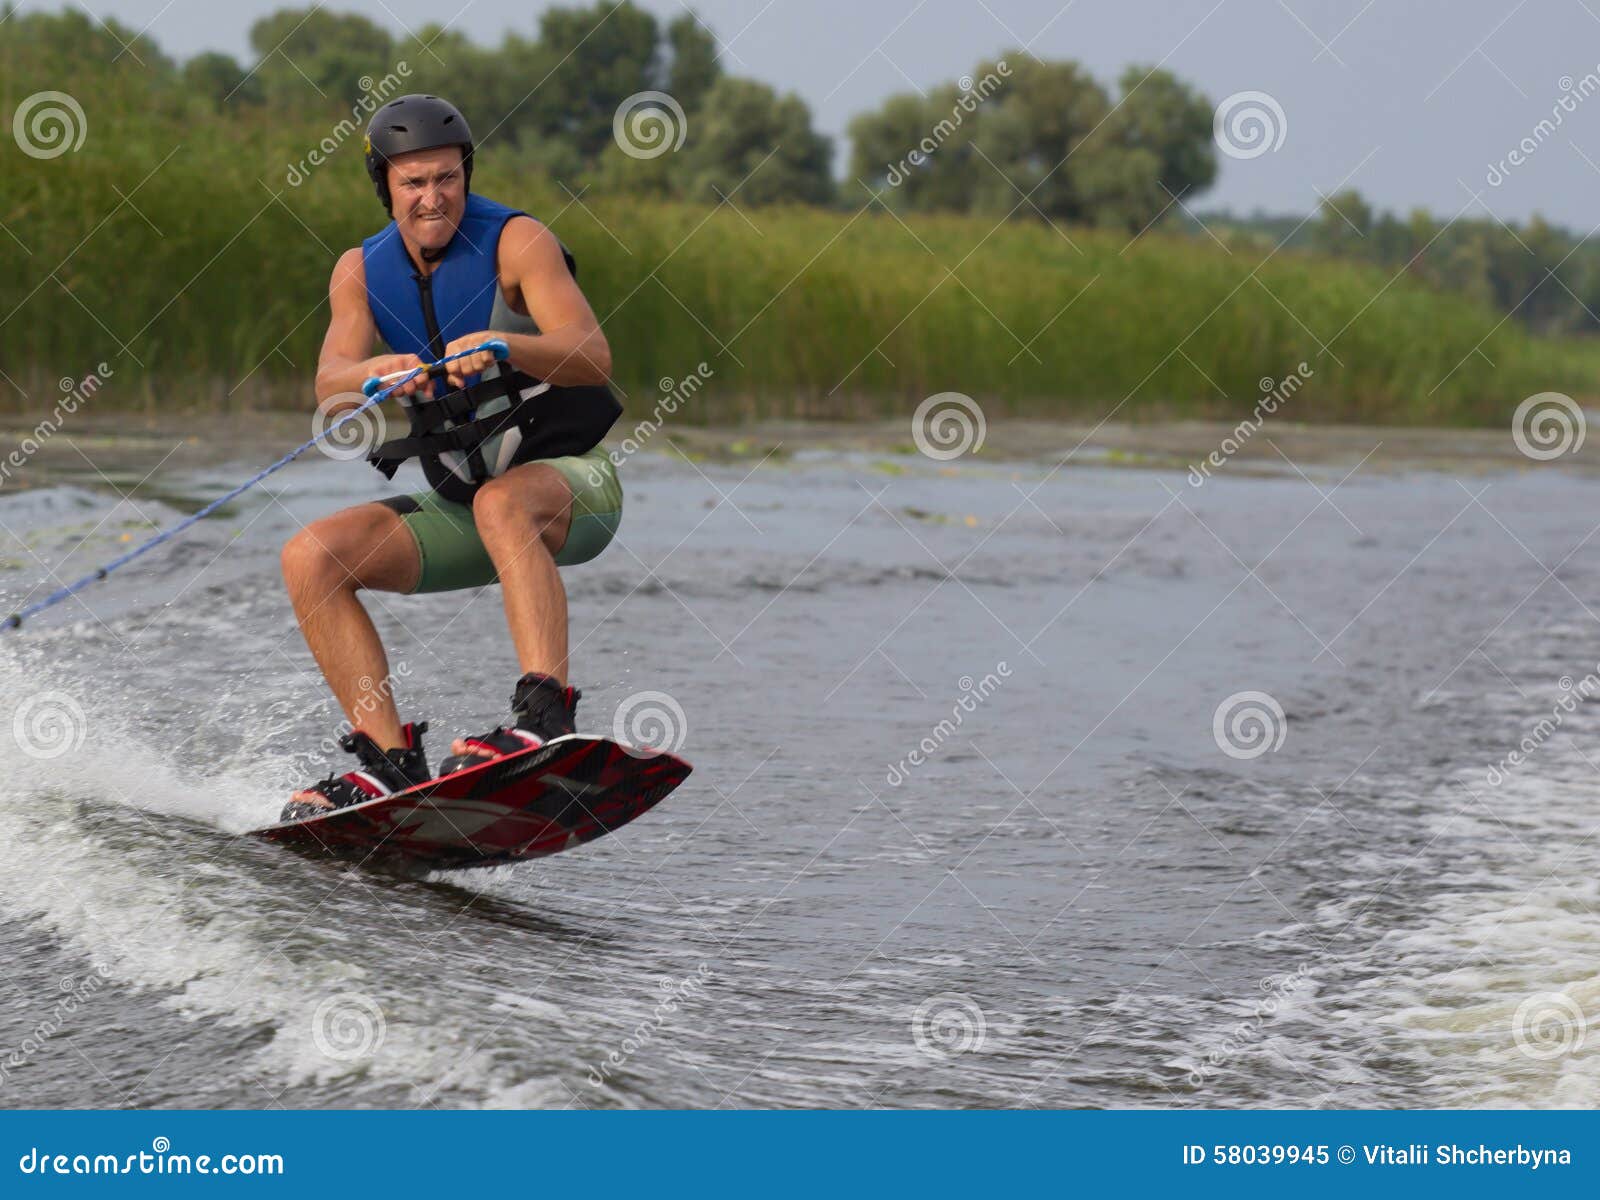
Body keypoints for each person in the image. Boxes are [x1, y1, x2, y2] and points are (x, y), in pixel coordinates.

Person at [279, 94, 623, 821]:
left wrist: (506, 346)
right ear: (386, 185)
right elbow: (329, 384)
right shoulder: (360, 271)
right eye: (414, 183)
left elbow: (592, 356)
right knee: (311, 557)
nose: (433, 197)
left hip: (571, 492)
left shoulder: (517, 243)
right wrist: (378, 372)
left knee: (504, 502)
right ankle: (387, 764)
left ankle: (543, 715)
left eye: (446, 178)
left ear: (465, 174)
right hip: (465, 508)